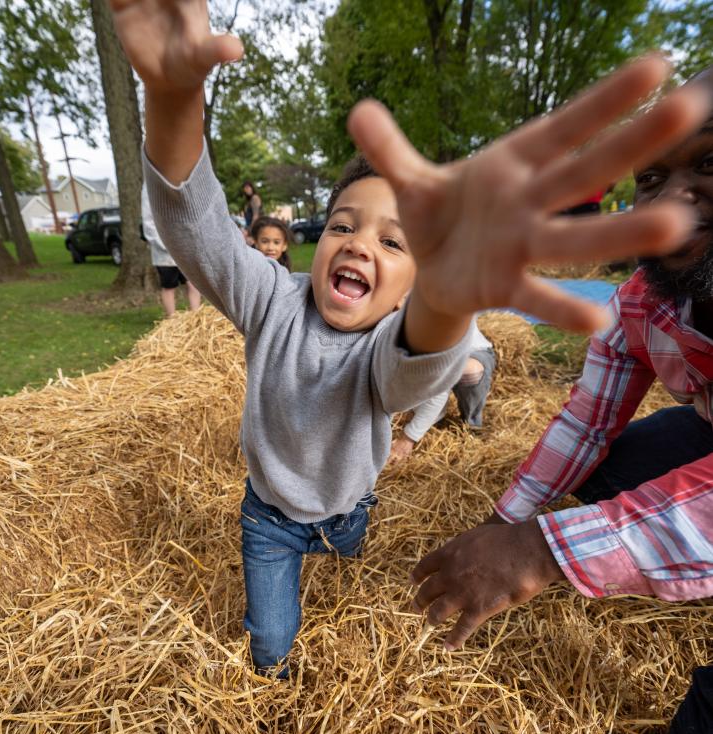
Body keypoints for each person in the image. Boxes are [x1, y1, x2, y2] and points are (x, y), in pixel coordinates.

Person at [109, 0, 706, 676]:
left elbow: (412, 371)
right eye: (342, 225)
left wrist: (446, 306)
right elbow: (198, 231)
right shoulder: (270, 300)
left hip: (349, 510)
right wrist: (171, 99)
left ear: (411, 284)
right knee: (270, 644)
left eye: (394, 242)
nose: (359, 245)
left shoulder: (392, 339)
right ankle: (272, 669)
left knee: (346, 590)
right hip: (268, 520)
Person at [408, 67, 713, 734]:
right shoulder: (638, 304)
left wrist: (543, 551)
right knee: (609, 469)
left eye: (707, 165)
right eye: (651, 178)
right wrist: (506, 520)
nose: (670, 203)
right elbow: (586, 420)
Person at [388, 329, 496, 464]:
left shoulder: (432, 327)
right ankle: (427, 415)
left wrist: (407, 439)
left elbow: (438, 392)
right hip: (426, 353)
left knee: (469, 373)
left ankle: (472, 424)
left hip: (471, 351)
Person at [141, 183, 201, 317]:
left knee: (194, 284)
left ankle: (196, 318)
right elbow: (148, 222)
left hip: (186, 247)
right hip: (164, 251)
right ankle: (172, 321)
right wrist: (166, 245)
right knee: (169, 286)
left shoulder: (181, 181)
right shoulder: (150, 187)